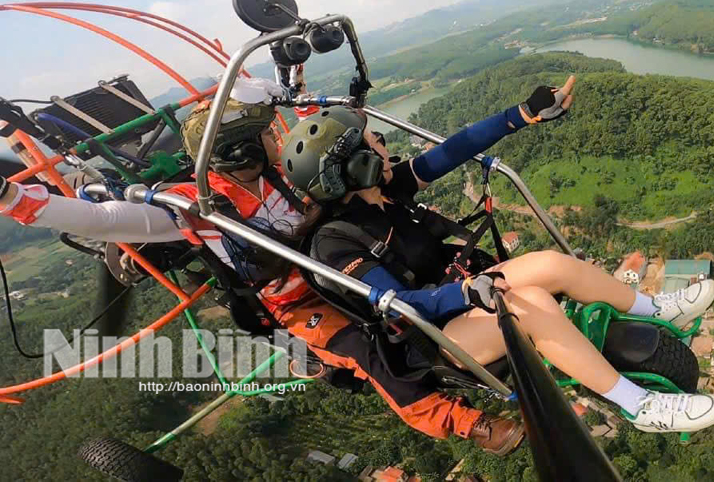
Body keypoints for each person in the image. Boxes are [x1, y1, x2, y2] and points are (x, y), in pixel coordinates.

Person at [0, 77, 525, 455]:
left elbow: (325, 140)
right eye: (266, 134)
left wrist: (288, 79)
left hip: (350, 265)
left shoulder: (288, 174)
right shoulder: (197, 206)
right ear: (245, 149)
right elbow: (106, 217)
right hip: (299, 302)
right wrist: (15, 199)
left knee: (420, 275)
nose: (278, 137)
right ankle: (465, 422)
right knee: (366, 349)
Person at [279, 75, 714, 433]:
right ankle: (641, 406)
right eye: (371, 140)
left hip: (467, 294)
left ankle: (656, 310)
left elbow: (456, 148)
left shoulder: (387, 191)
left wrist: (523, 114)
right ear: (357, 167)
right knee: (527, 305)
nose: (381, 141)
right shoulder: (335, 243)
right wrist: (467, 294)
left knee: (551, 264)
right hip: (438, 336)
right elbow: (402, 306)